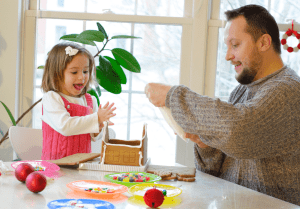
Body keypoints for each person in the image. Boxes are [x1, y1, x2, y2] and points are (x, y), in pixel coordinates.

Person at [145, 4, 300, 205]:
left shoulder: (288, 90)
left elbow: (240, 132)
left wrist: (173, 96)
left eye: (235, 45)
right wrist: (206, 144)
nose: (227, 55)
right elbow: (217, 169)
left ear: (264, 43)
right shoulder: (242, 90)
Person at [41, 42, 116, 160]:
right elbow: (65, 126)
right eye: (74, 72)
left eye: (85, 71)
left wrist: (99, 127)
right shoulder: (52, 98)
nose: (82, 77)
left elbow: (94, 137)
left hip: (82, 165)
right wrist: (95, 118)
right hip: (56, 166)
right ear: (56, 74)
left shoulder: (90, 100)